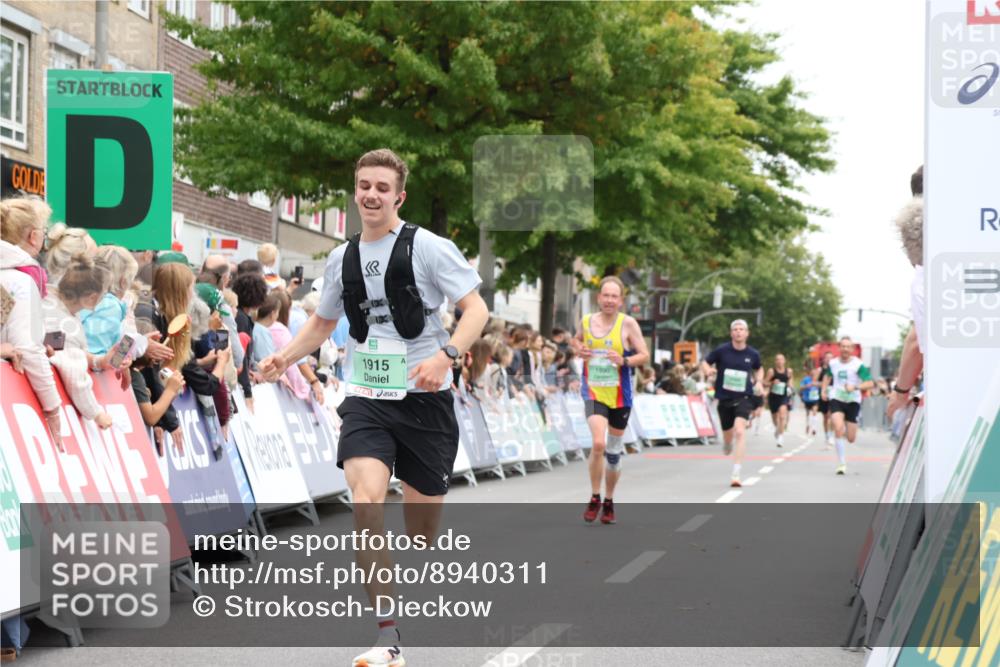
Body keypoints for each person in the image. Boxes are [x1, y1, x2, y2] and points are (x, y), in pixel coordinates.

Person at [258, 149, 488, 667]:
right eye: (365, 185)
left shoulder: (428, 247)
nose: (372, 194)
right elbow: (321, 324)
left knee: (422, 534)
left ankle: (411, 563)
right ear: (355, 191)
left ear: (399, 196)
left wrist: (446, 355)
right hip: (367, 395)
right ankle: (388, 638)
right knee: (365, 504)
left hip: (426, 400)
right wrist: (285, 358)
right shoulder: (342, 258)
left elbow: (477, 310)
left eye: (383, 187)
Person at [572, 275, 650, 524]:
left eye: (614, 296)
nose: (609, 300)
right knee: (598, 444)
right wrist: (579, 349)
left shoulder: (628, 324)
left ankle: (609, 499)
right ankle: (595, 497)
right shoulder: (586, 322)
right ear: (599, 297)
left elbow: (644, 354)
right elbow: (576, 340)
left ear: (621, 300)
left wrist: (624, 360)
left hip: (620, 396)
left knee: (614, 453)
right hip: (593, 391)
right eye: (605, 295)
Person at [1, 198, 63, 447]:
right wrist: (53, 407)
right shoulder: (19, 282)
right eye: (45, 233)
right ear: (34, 236)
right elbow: (27, 348)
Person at [700, 319, 763, 487]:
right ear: (731, 333)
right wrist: (708, 370)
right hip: (725, 398)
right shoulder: (722, 350)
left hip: (744, 397)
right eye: (735, 329)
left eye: (742, 329)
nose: (738, 332)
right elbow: (705, 362)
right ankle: (727, 443)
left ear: (747, 333)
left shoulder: (753, 354)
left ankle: (736, 473)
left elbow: (759, 368)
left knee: (740, 432)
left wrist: (759, 382)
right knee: (728, 434)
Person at [821, 336, 874, 475]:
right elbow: (827, 376)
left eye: (848, 346)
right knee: (838, 427)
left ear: (851, 349)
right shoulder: (833, 363)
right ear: (839, 348)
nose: (845, 349)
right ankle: (841, 463)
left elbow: (870, 383)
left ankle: (843, 434)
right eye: (843, 346)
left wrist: (855, 387)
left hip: (852, 401)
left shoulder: (858, 365)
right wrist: (824, 390)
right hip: (836, 398)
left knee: (851, 438)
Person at [764, 353, 793, 447]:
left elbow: (790, 381)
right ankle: (777, 429)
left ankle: (780, 437)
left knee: (782, 416)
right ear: (775, 361)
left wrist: (790, 387)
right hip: (773, 397)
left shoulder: (788, 371)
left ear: (784, 361)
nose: (779, 361)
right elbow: (764, 382)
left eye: (781, 359)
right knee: (774, 417)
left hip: (783, 396)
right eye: (777, 359)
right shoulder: (771, 371)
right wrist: (772, 383)